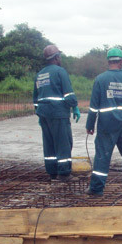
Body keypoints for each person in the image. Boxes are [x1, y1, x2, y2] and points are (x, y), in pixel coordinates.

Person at [85, 48, 122, 196]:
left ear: (109, 61)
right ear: (121, 62)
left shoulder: (100, 79)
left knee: (102, 156)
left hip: (107, 124)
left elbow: (94, 107)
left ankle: (96, 189)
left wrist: (90, 125)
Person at [33, 45, 80, 182]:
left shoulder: (40, 74)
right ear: (56, 57)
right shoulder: (60, 72)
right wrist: (75, 107)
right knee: (63, 143)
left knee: (49, 143)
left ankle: (52, 172)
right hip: (58, 114)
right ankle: (64, 173)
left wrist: (39, 112)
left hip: (43, 114)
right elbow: (69, 94)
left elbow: (36, 98)